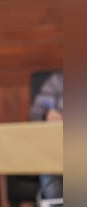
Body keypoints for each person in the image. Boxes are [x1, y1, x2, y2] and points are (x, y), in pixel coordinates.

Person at [28, 70, 63, 198]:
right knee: (51, 168)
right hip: (57, 150)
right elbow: (35, 113)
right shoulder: (57, 80)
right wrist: (46, 114)